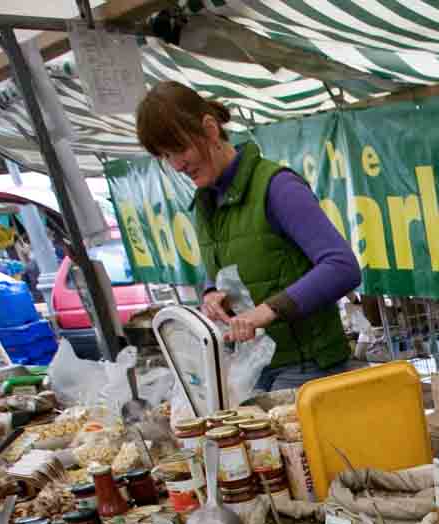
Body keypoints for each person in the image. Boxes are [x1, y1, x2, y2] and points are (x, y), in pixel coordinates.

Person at [134, 81, 359, 393]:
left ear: (210, 130)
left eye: (181, 149)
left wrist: (265, 311)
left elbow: (342, 266)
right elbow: (236, 271)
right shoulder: (206, 203)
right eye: (166, 156)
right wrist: (213, 293)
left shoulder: (277, 188)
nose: (176, 165)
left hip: (309, 366)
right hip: (255, 365)